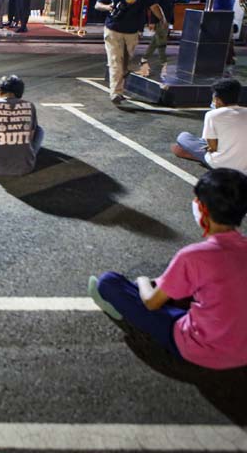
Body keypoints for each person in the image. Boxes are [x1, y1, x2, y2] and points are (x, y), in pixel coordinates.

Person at [88, 168, 247, 370]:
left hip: (201, 347)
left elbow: (151, 303)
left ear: (203, 208)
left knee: (109, 282)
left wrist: (143, 281)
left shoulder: (194, 256)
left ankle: (120, 306)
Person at [94, 0, 167, 105]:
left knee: (125, 65)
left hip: (132, 32)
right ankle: (116, 93)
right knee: (115, 61)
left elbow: (154, 6)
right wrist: (108, 7)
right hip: (113, 29)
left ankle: (120, 87)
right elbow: (98, 4)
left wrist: (162, 20)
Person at [172, 78, 247, 173]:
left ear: (217, 100)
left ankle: (198, 156)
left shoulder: (212, 115)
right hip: (244, 167)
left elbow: (213, 148)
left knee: (183, 137)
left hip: (220, 164)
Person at [140, 0, 182, 76]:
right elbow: (154, 6)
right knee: (162, 42)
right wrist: (152, 21)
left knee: (156, 41)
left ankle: (144, 58)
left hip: (167, 20)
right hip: (160, 20)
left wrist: (171, 20)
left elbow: (171, 6)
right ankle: (164, 62)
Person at [213, 0, 243, 73]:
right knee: (227, 40)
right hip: (221, 18)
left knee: (229, 40)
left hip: (227, 17)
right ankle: (227, 60)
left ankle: (229, 59)